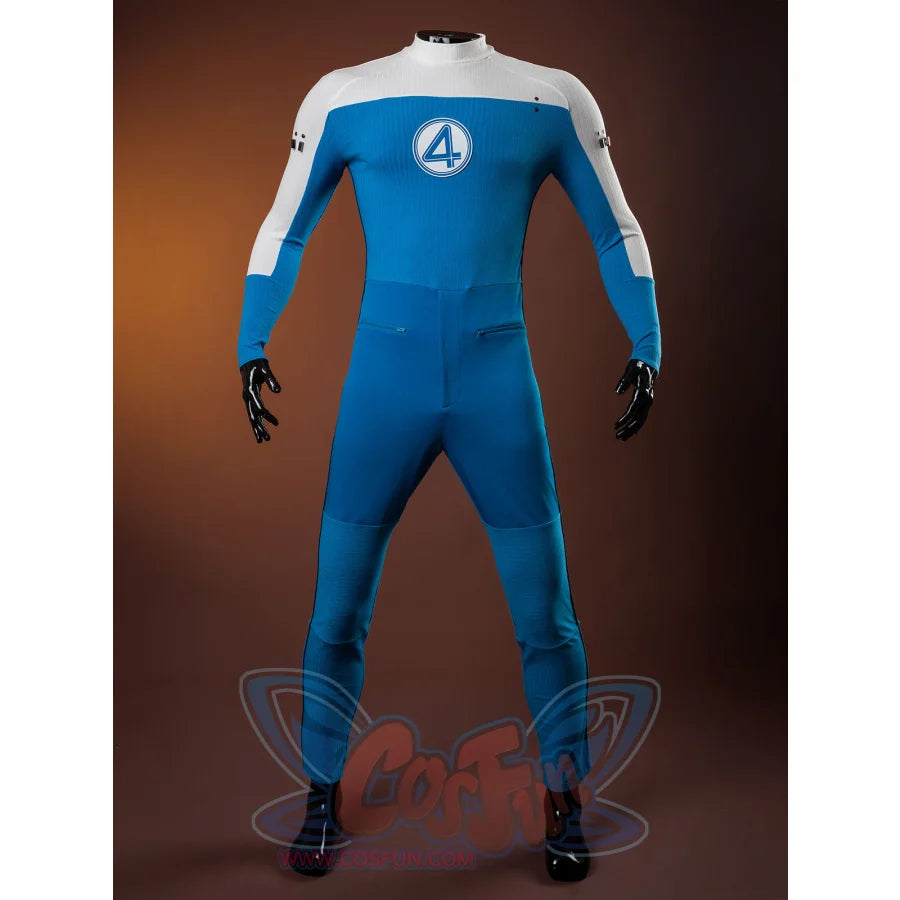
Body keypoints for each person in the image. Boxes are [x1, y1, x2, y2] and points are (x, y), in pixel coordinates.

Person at [237, 29, 661, 881]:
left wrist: (647, 338)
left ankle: (564, 797)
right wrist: (252, 338)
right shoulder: (344, 94)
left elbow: (617, 229)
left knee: (546, 615)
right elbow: (285, 224)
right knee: (337, 610)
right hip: (383, 386)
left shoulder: (551, 95)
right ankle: (321, 794)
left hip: (495, 383)